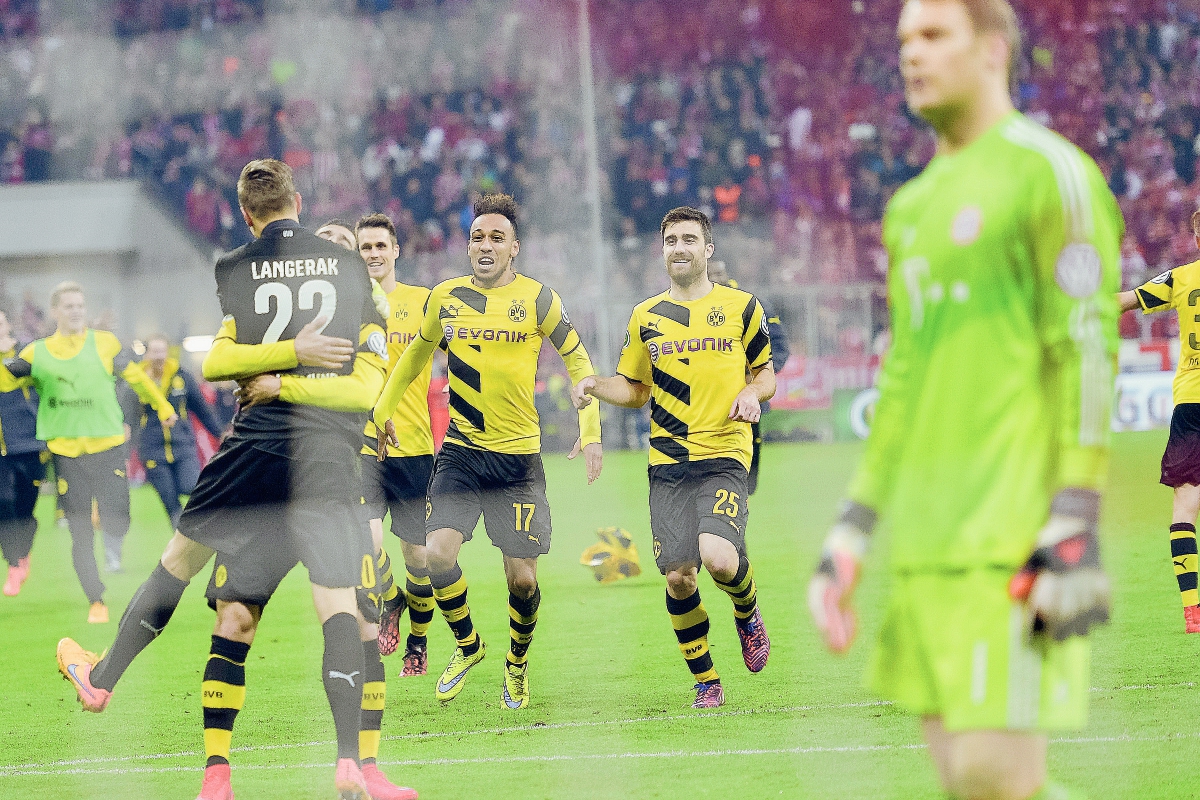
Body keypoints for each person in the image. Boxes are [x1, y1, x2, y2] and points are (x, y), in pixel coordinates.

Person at [805, 2, 1121, 799]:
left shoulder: (1049, 173)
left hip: (1012, 538)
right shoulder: (911, 208)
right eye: (905, 39)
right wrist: (851, 531)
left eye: (935, 35)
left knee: (994, 777)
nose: (912, 53)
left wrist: (1075, 512)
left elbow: (1085, 350)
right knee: (964, 783)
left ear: (992, 48)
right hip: (923, 546)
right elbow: (903, 382)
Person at [54, 159, 405, 800]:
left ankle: (102, 681)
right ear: (299, 202)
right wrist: (301, 355)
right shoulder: (350, 269)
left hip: (253, 451)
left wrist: (277, 377)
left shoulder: (234, 267)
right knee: (338, 608)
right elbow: (362, 391)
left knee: (176, 566)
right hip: (326, 459)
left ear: (245, 215)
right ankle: (348, 763)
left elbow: (218, 361)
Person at [372, 193, 602, 709]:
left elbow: (579, 361)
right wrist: (382, 410)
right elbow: (414, 357)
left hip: (518, 461)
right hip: (461, 452)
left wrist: (590, 429)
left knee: (522, 580)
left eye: (497, 237)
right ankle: (468, 644)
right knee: (435, 555)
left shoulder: (539, 300)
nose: (485, 245)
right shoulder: (445, 297)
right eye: (478, 236)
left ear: (514, 247)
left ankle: (516, 663)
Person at [571, 207, 775, 709]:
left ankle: (747, 611)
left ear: (708, 248)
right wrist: (594, 384)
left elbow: (766, 373)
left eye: (688, 239)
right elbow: (636, 389)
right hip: (667, 463)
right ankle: (707, 680)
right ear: (661, 250)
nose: (679, 247)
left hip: (724, 451)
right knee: (679, 578)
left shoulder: (742, 306)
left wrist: (751, 393)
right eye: (670, 240)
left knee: (719, 557)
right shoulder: (645, 316)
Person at [4, 282, 176, 621]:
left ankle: (106, 517)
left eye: (80, 306)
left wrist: (163, 405)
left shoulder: (105, 343)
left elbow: (137, 378)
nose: (76, 311)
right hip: (66, 454)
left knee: (119, 521)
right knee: (79, 533)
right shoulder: (37, 353)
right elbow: (5, 381)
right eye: (69, 306)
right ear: (55, 311)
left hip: (108, 446)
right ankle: (96, 599)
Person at [355, 212, 449, 677]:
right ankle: (391, 599)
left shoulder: (423, 301)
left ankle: (418, 642)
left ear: (395, 250)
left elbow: (461, 353)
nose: (373, 254)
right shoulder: (347, 306)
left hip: (414, 448)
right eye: (365, 247)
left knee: (419, 556)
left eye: (380, 246)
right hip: (363, 448)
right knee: (368, 541)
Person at [1116, 209, 1200, 634]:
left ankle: (1193, 611)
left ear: (1197, 239)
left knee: (1185, 507)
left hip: (1191, 404)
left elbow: (1123, 301)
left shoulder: (1181, 278)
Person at [122, 334, 225, 530]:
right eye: (155, 351)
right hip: (152, 450)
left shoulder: (182, 376)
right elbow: (129, 420)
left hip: (183, 445)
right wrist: (125, 454)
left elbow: (202, 410)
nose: (159, 356)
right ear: (146, 354)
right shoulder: (136, 381)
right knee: (169, 499)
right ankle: (183, 537)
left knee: (190, 486)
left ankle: (205, 524)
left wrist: (220, 434)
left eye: (163, 351)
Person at [706, 259, 790, 495]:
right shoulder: (689, 307)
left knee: (746, 476)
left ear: (726, 274)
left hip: (746, 399)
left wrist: (759, 376)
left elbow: (780, 346)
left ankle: (739, 512)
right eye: (709, 274)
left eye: (718, 273)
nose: (714, 279)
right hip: (706, 401)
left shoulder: (753, 304)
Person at [0, 309, 45, 596]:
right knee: (3, 502)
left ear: (8, 326)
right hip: (2, 447)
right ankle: (14, 563)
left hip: (30, 443)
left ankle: (23, 552)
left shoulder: (26, 355)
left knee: (27, 508)